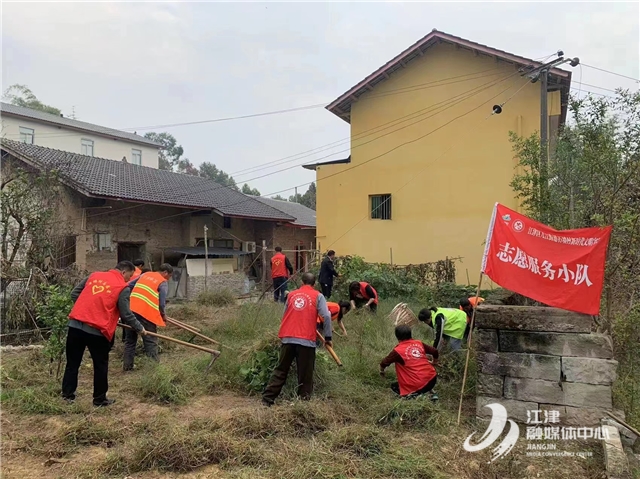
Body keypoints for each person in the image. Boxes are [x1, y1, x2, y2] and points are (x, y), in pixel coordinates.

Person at [62, 261, 146, 407]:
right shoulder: (122, 287)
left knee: (72, 363)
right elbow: (126, 313)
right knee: (100, 365)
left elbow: (74, 293)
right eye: (130, 276)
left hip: (75, 326)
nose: (129, 279)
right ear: (124, 272)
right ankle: (99, 399)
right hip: (97, 331)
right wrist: (140, 328)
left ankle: (68, 396)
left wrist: (87, 308)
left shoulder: (94, 276)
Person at [262, 272, 332, 406]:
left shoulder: (291, 295)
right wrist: (328, 337)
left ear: (302, 282)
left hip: (287, 338)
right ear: (315, 283)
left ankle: (267, 399)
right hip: (306, 340)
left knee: (281, 370)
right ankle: (303, 404)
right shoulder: (318, 296)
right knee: (305, 375)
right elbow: (327, 316)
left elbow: (285, 315)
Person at [123, 263, 173, 370]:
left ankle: (127, 367)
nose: (169, 279)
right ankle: (153, 369)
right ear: (165, 273)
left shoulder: (145, 275)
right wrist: (163, 315)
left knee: (130, 341)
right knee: (150, 340)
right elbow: (161, 303)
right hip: (146, 313)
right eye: (169, 276)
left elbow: (128, 285)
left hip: (131, 311)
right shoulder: (162, 282)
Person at [379, 325, 439, 400]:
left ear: (397, 337)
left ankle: (421, 397)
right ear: (410, 334)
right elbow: (435, 351)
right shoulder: (419, 343)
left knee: (395, 387)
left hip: (418, 383)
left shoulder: (397, 351)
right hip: (433, 378)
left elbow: (384, 363)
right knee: (421, 379)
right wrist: (434, 362)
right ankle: (430, 392)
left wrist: (381, 371)